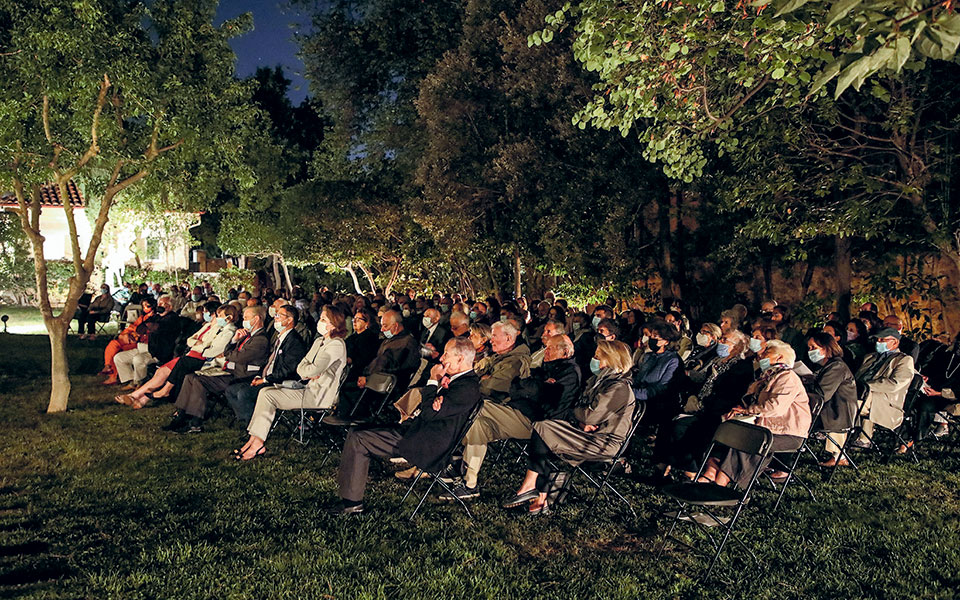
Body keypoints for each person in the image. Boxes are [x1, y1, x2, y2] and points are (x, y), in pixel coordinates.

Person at [332, 337, 482, 514]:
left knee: (359, 438)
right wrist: (436, 391)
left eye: (446, 354)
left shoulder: (466, 388)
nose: (441, 358)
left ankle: (351, 503)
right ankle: (349, 492)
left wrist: (433, 382)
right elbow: (431, 410)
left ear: (460, 359)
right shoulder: (458, 382)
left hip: (424, 444)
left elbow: (428, 413)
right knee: (357, 431)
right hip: (416, 432)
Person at [503, 340, 635, 515]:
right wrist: (580, 419)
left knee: (544, 430)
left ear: (611, 359)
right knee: (544, 429)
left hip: (602, 443)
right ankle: (538, 497)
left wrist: (577, 414)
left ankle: (533, 491)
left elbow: (590, 415)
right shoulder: (599, 381)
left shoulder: (619, 387)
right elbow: (584, 410)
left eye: (598, 356)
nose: (594, 360)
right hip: (586, 434)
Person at [444, 334, 581, 501]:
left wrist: (531, 387)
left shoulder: (569, 373)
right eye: (546, 347)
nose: (546, 351)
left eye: (551, 348)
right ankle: (469, 483)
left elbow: (548, 402)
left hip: (535, 423)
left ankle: (438, 451)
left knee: (479, 405)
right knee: (477, 425)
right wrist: (535, 386)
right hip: (519, 411)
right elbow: (516, 385)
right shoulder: (547, 368)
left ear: (565, 352)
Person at [234, 306, 348, 461]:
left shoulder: (336, 344)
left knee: (269, 395)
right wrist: (309, 371)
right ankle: (254, 439)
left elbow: (310, 370)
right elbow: (302, 367)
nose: (319, 322)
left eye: (323, 319)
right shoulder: (319, 341)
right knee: (265, 392)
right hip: (307, 389)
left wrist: (310, 371)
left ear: (334, 325)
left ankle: (258, 442)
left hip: (319, 397)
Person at [698, 341, 811, 488]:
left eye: (767, 352)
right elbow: (750, 400)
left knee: (743, 439)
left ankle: (720, 483)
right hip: (764, 427)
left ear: (779, 357)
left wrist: (747, 410)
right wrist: (740, 409)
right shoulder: (766, 377)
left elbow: (775, 408)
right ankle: (711, 472)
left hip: (786, 432)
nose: (761, 354)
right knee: (722, 430)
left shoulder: (787, 378)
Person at [163, 306, 270, 434]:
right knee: (190, 377)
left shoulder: (260, 339)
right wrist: (233, 342)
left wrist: (226, 353)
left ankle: (195, 423)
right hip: (231, 371)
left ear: (256, 318)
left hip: (241, 376)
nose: (243, 320)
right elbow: (231, 353)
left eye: (246, 318)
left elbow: (238, 357)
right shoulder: (248, 336)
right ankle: (181, 415)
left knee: (198, 381)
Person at [117, 303, 238, 408]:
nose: (204, 314)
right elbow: (190, 340)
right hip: (191, 353)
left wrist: (197, 344)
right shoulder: (206, 326)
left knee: (163, 373)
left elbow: (208, 347)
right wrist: (196, 343)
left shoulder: (219, 329)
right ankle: (142, 399)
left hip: (198, 358)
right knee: (161, 373)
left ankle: (135, 396)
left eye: (207, 312)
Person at [325, 308, 420, 423]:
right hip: (372, 376)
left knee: (349, 389)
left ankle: (350, 420)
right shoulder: (389, 340)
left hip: (385, 384)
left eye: (385, 326)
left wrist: (369, 378)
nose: (382, 329)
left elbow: (392, 367)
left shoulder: (407, 342)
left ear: (395, 326)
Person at [225, 304, 308, 424]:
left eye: (279, 315)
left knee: (244, 393)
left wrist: (264, 380)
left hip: (280, 381)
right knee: (231, 389)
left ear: (289, 320)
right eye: (276, 315)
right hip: (266, 376)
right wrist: (259, 376)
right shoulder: (280, 338)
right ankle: (246, 420)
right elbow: (269, 362)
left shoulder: (294, 342)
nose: (275, 318)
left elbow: (288, 370)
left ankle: (255, 425)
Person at [852, 327, 915, 450]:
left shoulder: (904, 360)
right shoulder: (870, 357)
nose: (878, 342)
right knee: (844, 397)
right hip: (861, 394)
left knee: (848, 401)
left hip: (885, 400)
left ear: (895, 342)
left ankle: (855, 437)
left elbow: (895, 384)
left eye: (882, 340)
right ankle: (857, 436)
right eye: (877, 339)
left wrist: (866, 386)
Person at [806, 332, 858, 467]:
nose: (810, 351)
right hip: (829, 407)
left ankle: (838, 456)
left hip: (837, 411)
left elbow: (822, 393)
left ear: (826, 348)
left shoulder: (837, 367)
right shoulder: (828, 366)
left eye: (813, 348)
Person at [113, 295, 180, 392]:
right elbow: (140, 328)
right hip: (145, 347)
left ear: (170, 306)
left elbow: (155, 327)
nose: (160, 305)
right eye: (159, 303)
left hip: (159, 352)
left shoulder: (173, 318)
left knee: (138, 359)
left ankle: (140, 382)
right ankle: (132, 380)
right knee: (119, 357)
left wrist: (148, 326)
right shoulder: (155, 316)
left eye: (164, 304)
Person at [632, 319, 681, 428]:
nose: (651, 340)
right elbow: (639, 378)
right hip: (638, 396)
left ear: (666, 341)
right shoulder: (649, 356)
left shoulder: (673, 360)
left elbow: (661, 388)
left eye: (655, 337)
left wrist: (635, 393)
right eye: (651, 336)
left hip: (656, 403)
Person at [100, 297, 158, 385]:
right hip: (131, 339)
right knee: (114, 345)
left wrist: (134, 334)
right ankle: (110, 370)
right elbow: (132, 327)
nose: (145, 308)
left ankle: (111, 372)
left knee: (115, 347)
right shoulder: (142, 318)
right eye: (143, 306)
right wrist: (125, 335)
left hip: (140, 343)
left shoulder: (155, 319)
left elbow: (144, 333)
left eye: (147, 306)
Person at [474, 320, 531, 401]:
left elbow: (488, 389)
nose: (491, 341)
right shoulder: (498, 356)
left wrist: (481, 380)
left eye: (494, 336)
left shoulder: (515, 362)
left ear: (508, 338)